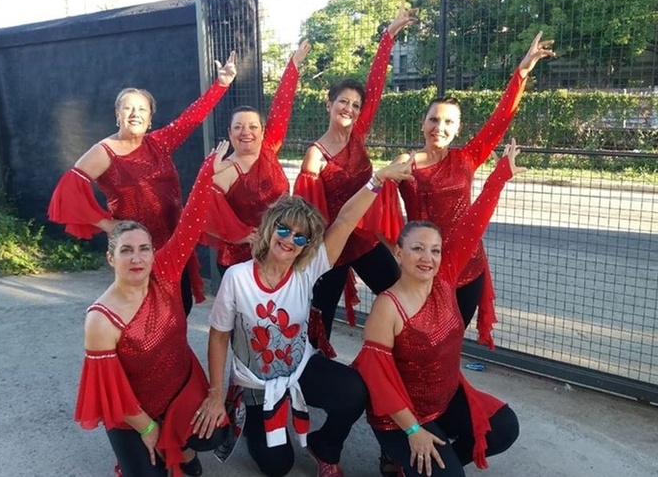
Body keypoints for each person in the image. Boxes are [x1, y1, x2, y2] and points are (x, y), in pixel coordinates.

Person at [196, 158, 415, 477]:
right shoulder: (237, 277)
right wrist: (215, 394)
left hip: (298, 368)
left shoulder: (306, 270)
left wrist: (377, 179)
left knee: (354, 390)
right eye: (283, 229)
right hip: (256, 382)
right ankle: (247, 409)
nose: (289, 240)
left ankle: (324, 445)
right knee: (277, 466)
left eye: (300, 237)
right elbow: (218, 336)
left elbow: (344, 222)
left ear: (307, 245)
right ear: (270, 228)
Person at [353, 142, 526, 477]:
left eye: (434, 250)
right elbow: (377, 379)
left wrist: (499, 178)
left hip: (444, 403)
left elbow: (473, 224)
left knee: (504, 427)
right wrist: (414, 431)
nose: (427, 258)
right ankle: (411, 458)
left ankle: (428, 467)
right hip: (399, 417)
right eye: (417, 249)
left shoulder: (445, 279)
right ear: (399, 253)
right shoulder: (388, 308)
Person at [386, 32, 555, 347]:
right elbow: (378, 204)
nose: (440, 127)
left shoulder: (466, 158)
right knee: (420, 342)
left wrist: (521, 73)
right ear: (423, 124)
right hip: (426, 269)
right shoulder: (405, 163)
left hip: (469, 266)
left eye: (449, 122)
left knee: (451, 344)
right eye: (434, 119)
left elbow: (499, 122)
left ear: (458, 128)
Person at [73, 141, 231, 477]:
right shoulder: (101, 318)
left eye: (144, 248)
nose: (137, 257)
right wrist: (148, 428)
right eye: (126, 250)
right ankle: (148, 450)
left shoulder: (166, 269)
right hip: (131, 411)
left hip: (179, 388)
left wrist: (206, 175)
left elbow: (189, 222)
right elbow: (111, 392)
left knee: (215, 432)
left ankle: (183, 446)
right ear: (110, 258)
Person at [48, 52, 237, 315]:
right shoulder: (104, 151)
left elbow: (190, 119)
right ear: (118, 115)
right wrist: (107, 224)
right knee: (147, 319)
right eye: (128, 108)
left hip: (173, 246)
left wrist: (222, 85)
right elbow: (67, 191)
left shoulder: (158, 142)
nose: (135, 114)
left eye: (142, 109)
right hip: (138, 253)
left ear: (150, 119)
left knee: (181, 308)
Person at [293, 4, 417, 341]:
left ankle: (397, 355)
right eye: (343, 102)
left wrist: (388, 38)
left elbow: (375, 87)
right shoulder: (314, 156)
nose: (349, 108)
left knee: (397, 292)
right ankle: (311, 378)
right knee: (319, 322)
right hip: (331, 249)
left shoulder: (357, 136)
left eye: (355, 105)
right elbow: (305, 216)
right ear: (328, 104)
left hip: (362, 240)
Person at [200, 41, 311, 275]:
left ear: (262, 131)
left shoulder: (269, 148)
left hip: (277, 251)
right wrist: (239, 234)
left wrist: (293, 65)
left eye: (252, 126)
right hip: (240, 263)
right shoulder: (226, 168)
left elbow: (282, 106)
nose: (246, 132)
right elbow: (203, 208)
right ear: (230, 134)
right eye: (238, 127)